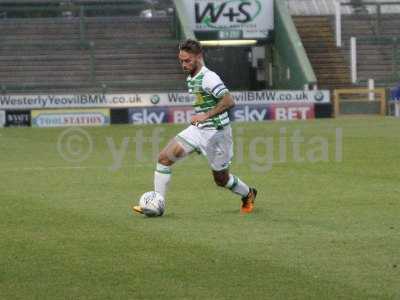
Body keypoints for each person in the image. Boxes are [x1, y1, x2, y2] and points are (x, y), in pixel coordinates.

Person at [133, 39, 257, 214]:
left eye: (187, 61)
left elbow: (229, 101)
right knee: (164, 159)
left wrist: (206, 115)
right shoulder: (192, 75)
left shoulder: (209, 78)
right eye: (181, 61)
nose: (183, 65)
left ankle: (248, 193)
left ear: (199, 57)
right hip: (198, 129)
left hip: (217, 135)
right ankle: (156, 205)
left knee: (221, 179)